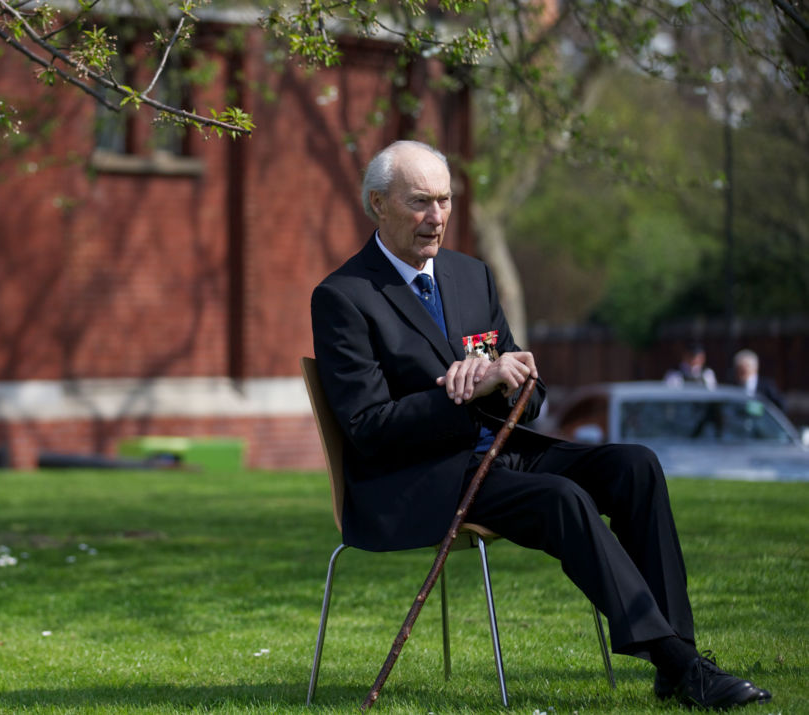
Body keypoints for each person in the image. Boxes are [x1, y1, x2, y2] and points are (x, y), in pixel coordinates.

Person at [310, 140, 771, 710]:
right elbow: (367, 428)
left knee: (635, 465)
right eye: (419, 202)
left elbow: (531, 394)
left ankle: (678, 660)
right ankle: (681, 665)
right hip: (421, 479)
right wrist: (463, 394)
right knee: (561, 498)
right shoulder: (343, 297)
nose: (436, 218)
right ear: (377, 203)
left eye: (445, 201)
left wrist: (511, 383)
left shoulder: (471, 275)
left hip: (503, 454)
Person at [733, 349, 786, 413]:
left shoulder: (767, 386)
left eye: (745, 368)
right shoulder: (733, 385)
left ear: (755, 368)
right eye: (739, 369)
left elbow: (780, 405)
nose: (742, 372)